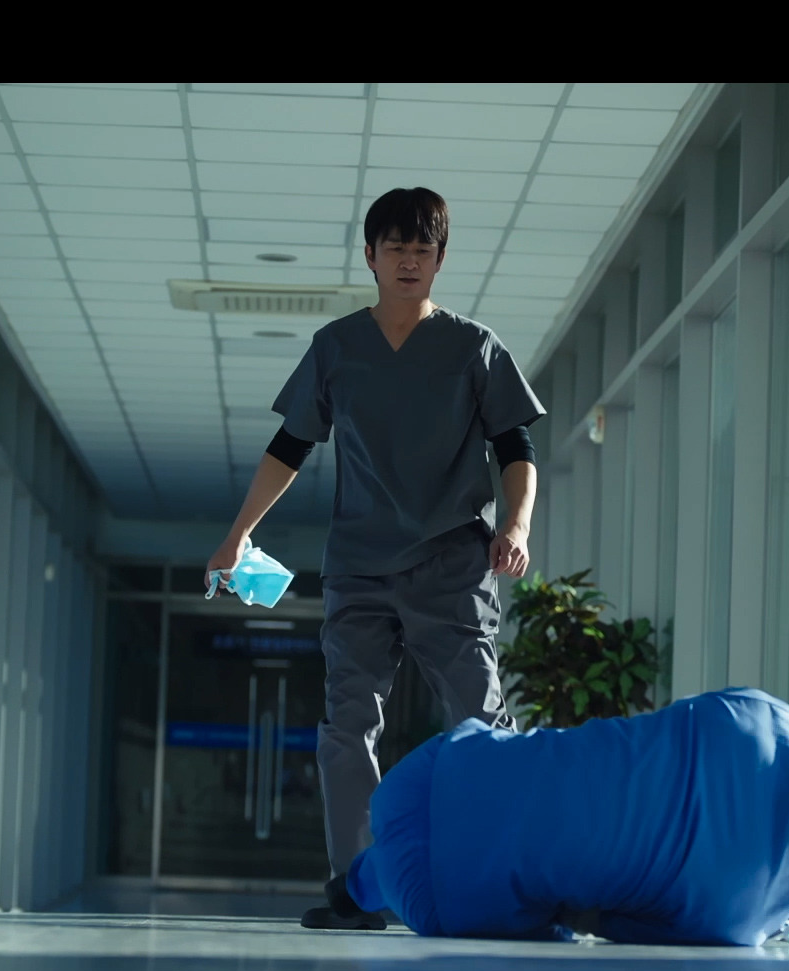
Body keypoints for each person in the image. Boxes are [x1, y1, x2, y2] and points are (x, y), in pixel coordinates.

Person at [208, 188, 546, 931]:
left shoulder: (474, 348)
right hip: (359, 564)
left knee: (480, 721)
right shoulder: (337, 347)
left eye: (423, 249)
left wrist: (517, 526)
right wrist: (238, 534)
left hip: (451, 563)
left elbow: (516, 446)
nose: (409, 261)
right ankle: (358, 890)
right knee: (346, 724)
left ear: (440, 260)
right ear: (370, 256)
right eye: (396, 248)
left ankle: (504, 878)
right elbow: (289, 446)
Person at [312, 687, 789, 945]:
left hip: (438, 767)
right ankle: (362, 887)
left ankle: (356, 886)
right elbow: (607, 923)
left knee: (496, 806)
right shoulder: (742, 920)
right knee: (555, 920)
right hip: (440, 896)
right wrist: (786, 893)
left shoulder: (770, 717)